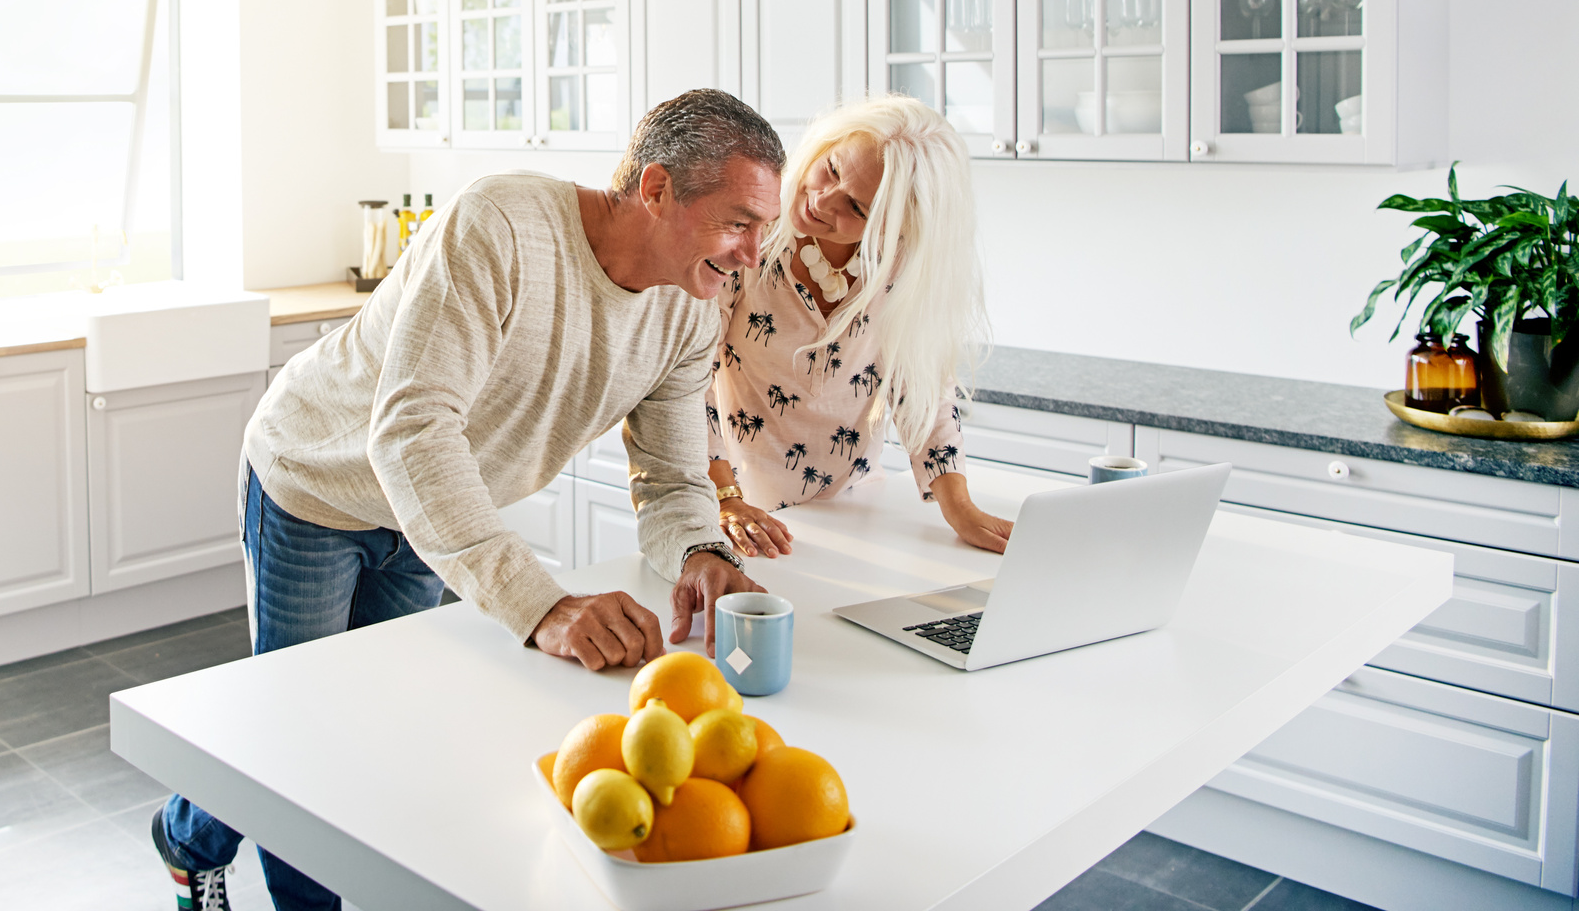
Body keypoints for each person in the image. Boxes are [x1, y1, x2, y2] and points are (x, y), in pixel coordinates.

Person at [151, 89, 786, 911]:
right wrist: (540, 604)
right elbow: (414, 430)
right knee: (306, 734)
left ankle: (185, 828)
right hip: (317, 483)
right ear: (657, 189)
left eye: (761, 228)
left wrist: (703, 552)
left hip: (431, 513)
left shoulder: (689, 309)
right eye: (738, 222)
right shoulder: (502, 225)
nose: (752, 252)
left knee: (365, 725)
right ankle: (217, 855)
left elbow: (668, 479)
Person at [704, 95, 1010, 559]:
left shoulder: (901, 269)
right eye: (830, 168)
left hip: (855, 509)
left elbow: (921, 389)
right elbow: (689, 377)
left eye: (857, 208)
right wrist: (726, 498)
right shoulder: (748, 237)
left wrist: (960, 508)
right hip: (742, 509)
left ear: (893, 230)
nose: (821, 200)